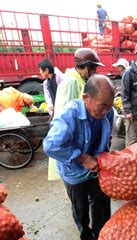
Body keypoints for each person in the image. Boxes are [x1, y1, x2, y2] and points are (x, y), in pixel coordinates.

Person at [43, 75, 115, 240]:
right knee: (80, 207)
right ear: (85, 98)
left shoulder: (109, 112)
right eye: (102, 106)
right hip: (73, 171)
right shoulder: (69, 114)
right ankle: (86, 235)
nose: (106, 111)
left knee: (101, 202)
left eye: (109, 106)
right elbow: (50, 146)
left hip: (96, 167)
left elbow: (107, 137)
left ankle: (102, 234)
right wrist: (83, 158)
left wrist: (103, 155)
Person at [48, 47, 104, 181]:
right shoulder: (71, 82)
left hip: (81, 145)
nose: (95, 72)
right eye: (94, 68)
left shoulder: (79, 80)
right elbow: (67, 115)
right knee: (77, 189)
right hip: (73, 145)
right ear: (86, 67)